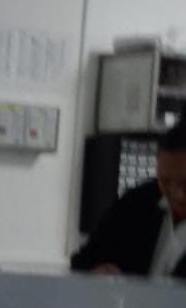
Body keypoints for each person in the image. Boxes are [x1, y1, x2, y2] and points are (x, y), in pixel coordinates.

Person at [72, 118, 186, 280]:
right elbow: (83, 260)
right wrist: (98, 270)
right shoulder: (137, 203)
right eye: (165, 181)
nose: (176, 194)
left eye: (185, 183)